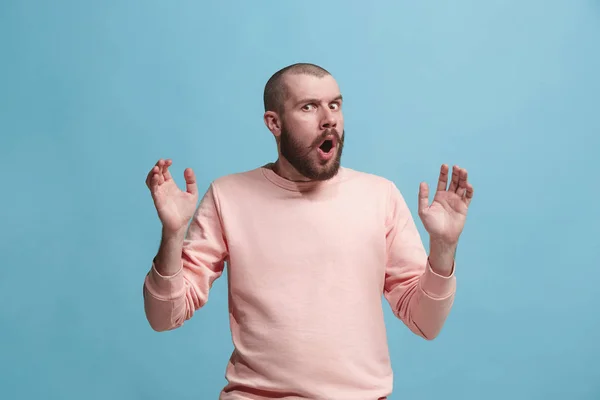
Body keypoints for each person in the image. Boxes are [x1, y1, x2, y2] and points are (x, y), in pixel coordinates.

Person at [143, 63, 474, 399]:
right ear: (274, 123)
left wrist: (444, 248)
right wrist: (173, 233)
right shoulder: (228, 196)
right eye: (309, 106)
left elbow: (426, 323)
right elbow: (163, 317)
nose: (328, 118)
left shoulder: (380, 196)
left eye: (335, 105)